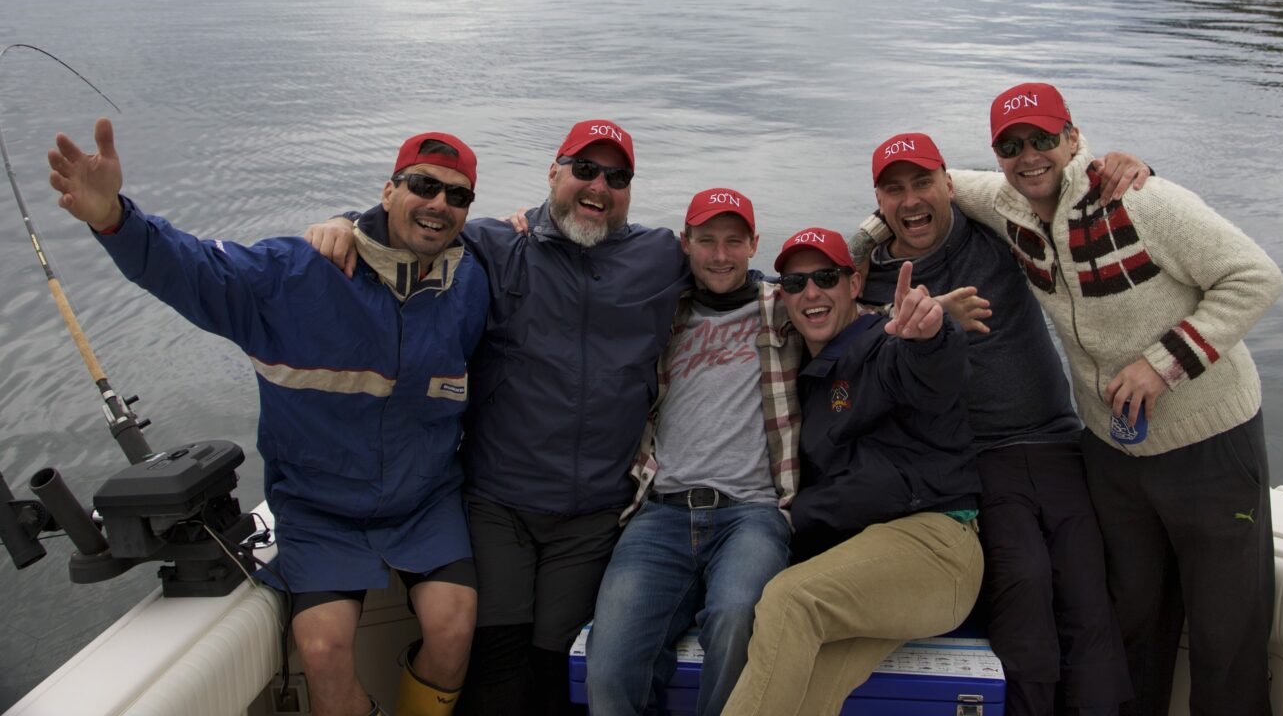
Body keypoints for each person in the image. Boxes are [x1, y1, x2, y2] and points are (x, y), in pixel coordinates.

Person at [48, 119, 490, 716]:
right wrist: (114, 220)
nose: (438, 205)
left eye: (456, 195)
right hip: (318, 507)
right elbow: (197, 271)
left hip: (425, 501)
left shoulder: (472, 284)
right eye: (422, 186)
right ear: (388, 191)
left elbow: (532, 242)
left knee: (456, 627)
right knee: (322, 649)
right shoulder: (297, 272)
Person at [305, 118, 690, 715]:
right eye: (584, 169)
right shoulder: (493, 244)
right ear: (553, 173)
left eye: (617, 177)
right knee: (496, 675)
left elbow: (741, 279)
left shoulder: (659, 256)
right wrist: (345, 223)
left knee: (555, 673)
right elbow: (418, 225)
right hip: (498, 505)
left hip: (592, 516)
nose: (598, 186)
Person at [945, 83, 1283, 716]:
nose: (1030, 156)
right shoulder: (1009, 204)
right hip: (1112, 453)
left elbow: (1256, 275)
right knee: (1133, 622)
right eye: (1012, 146)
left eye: (1044, 139)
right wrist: (865, 240)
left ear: (1073, 138)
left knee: (1225, 635)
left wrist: (1163, 365)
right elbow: (938, 184)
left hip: (1209, 445)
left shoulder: (1141, 200)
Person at [850, 132, 1135, 716]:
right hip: (977, 456)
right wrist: (923, 319)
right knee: (1024, 582)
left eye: (923, 182)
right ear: (877, 199)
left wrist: (1131, 166)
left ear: (950, 183)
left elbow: (1055, 188)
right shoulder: (868, 279)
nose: (910, 202)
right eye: (893, 190)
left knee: (1088, 590)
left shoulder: (998, 233)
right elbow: (821, 321)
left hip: (1056, 437)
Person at [720, 228, 984, 716]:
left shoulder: (878, 346)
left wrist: (933, 331)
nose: (811, 292)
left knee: (789, 601)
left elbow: (928, 368)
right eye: (795, 284)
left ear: (855, 283)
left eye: (826, 277)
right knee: (809, 694)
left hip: (935, 547)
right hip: (872, 563)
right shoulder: (814, 375)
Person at [583, 187, 802, 716]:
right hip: (660, 513)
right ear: (685, 243)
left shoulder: (786, 308)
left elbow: (846, 302)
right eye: (706, 240)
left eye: (733, 241)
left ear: (754, 244)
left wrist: (927, 312)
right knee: (608, 666)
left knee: (737, 618)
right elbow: (587, 265)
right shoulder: (661, 310)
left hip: (752, 514)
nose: (720, 255)